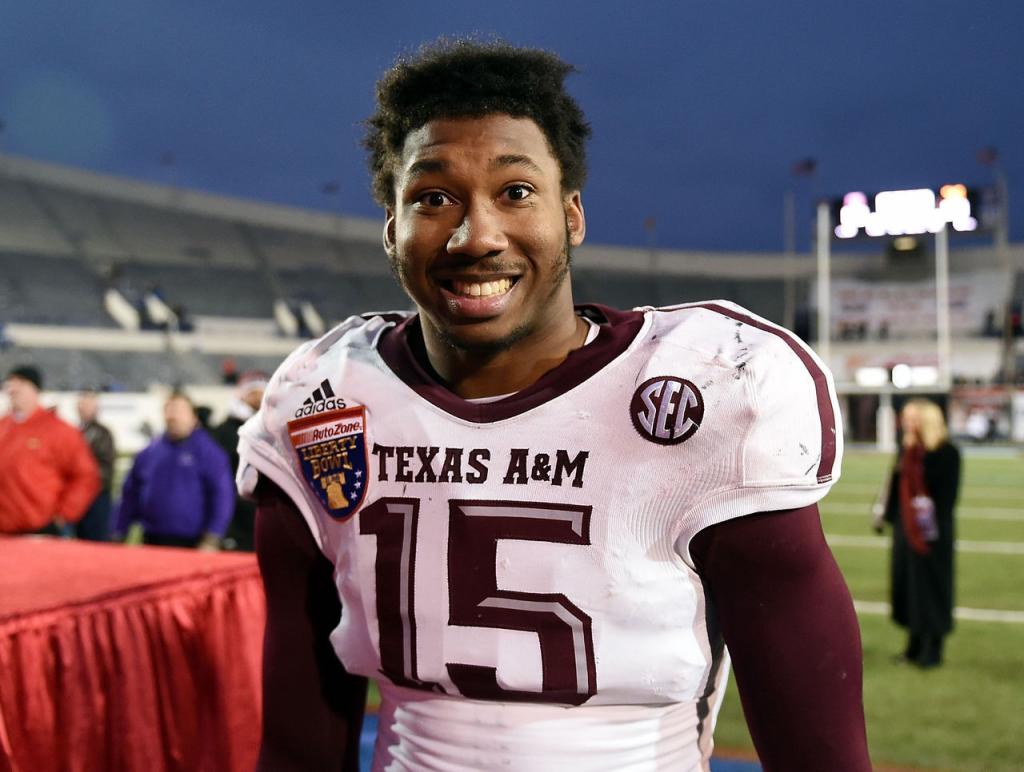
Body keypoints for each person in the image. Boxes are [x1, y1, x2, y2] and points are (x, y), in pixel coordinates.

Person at [237, 40, 871, 771]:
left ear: (571, 215)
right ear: (392, 228)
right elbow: (297, 741)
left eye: (515, 192)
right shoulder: (325, 399)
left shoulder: (707, 390)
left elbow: (819, 754)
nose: (477, 237)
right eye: (433, 197)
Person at [874, 399, 960, 668]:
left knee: (932, 590)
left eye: (913, 419)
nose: (906, 424)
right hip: (905, 531)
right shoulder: (907, 450)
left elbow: (946, 500)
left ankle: (933, 650)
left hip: (932, 534)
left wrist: (925, 526)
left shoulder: (947, 453)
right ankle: (912, 647)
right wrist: (885, 516)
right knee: (908, 588)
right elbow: (895, 487)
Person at [115, 391, 235, 549]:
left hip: (193, 542)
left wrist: (213, 536)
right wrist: (119, 530)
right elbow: (130, 494)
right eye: (169, 410)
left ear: (193, 417)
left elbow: (222, 496)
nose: (173, 417)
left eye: (180, 411)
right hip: (152, 539)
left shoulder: (209, 453)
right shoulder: (149, 452)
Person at [0, 365, 100, 535]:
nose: (13, 388)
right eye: (10, 383)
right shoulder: (3, 427)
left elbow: (86, 475)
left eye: (20, 383)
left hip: (40, 530)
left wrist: (64, 515)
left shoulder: (58, 430)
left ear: (35, 389)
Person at [211, 371, 268, 550]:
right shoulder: (223, 432)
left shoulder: (277, 429)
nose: (258, 397)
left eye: (262, 392)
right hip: (235, 517)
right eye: (253, 392)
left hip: (269, 511)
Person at [75, 389, 117, 541]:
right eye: (82, 403)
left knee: (97, 541)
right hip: (78, 498)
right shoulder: (75, 431)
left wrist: (84, 478)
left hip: (97, 497)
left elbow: (106, 467)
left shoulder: (103, 434)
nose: (84, 407)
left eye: (89, 403)